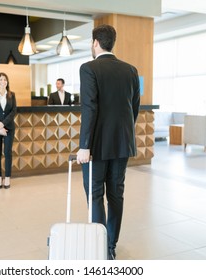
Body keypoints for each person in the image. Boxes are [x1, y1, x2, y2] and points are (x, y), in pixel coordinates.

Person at [76, 24, 140, 260]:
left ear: (95, 43)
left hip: (96, 147)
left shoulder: (88, 68)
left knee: (95, 195)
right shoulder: (131, 70)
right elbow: (133, 108)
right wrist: (123, 133)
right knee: (115, 194)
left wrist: (85, 145)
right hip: (122, 143)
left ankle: (99, 245)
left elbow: (89, 108)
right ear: (112, 43)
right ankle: (111, 247)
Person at [0, 72, 17, 189]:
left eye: (5, 79)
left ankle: (8, 178)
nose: (3, 82)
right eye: (0, 80)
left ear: (7, 82)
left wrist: (4, 124)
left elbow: (13, 111)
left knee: (8, 153)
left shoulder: (12, 95)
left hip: (9, 128)